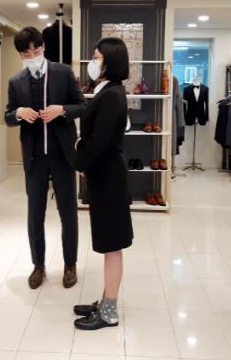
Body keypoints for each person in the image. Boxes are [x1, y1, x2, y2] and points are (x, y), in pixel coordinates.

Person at [5, 27, 86, 289]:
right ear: (20, 54)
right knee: (35, 215)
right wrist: (19, 113)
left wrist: (62, 110)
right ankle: (38, 265)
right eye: (26, 53)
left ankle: (70, 264)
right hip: (34, 158)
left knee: (68, 213)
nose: (32, 56)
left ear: (43, 48)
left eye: (36, 50)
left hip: (63, 156)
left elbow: (82, 106)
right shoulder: (16, 81)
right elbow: (8, 116)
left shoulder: (63, 72)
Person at [73, 37, 134, 330]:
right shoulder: (108, 90)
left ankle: (109, 311)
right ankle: (105, 299)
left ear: (111, 61)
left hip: (109, 177)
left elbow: (101, 141)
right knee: (110, 244)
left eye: (97, 57)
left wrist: (80, 162)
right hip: (104, 175)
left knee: (112, 245)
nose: (92, 62)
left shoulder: (112, 94)